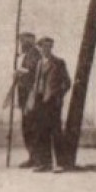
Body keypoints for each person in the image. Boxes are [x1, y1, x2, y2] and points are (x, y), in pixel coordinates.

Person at [30, 36, 71, 172]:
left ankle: (60, 163)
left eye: (48, 47)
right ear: (40, 48)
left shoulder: (59, 63)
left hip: (53, 103)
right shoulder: (39, 64)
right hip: (40, 101)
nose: (45, 50)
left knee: (56, 132)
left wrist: (58, 95)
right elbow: (37, 83)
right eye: (42, 47)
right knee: (42, 132)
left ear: (51, 48)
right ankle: (45, 163)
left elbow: (67, 83)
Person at [8, 32, 43, 167]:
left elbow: (34, 73)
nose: (21, 45)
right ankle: (33, 157)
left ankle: (37, 158)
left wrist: (21, 73)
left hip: (31, 98)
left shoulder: (34, 55)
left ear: (29, 42)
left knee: (32, 127)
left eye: (23, 42)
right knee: (27, 127)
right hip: (25, 98)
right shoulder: (27, 56)